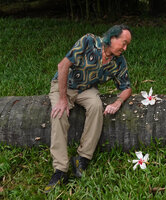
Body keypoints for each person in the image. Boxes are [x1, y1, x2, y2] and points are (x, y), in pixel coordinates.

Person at [45, 24, 132, 192]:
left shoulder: (118, 61)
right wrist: (63, 99)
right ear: (112, 38)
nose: (125, 48)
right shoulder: (88, 41)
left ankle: (82, 158)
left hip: (86, 90)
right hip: (64, 86)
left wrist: (118, 102)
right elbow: (62, 66)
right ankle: (60, 170)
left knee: (96, 105)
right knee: (59, 113)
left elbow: (126, 87)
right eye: (124, 43)